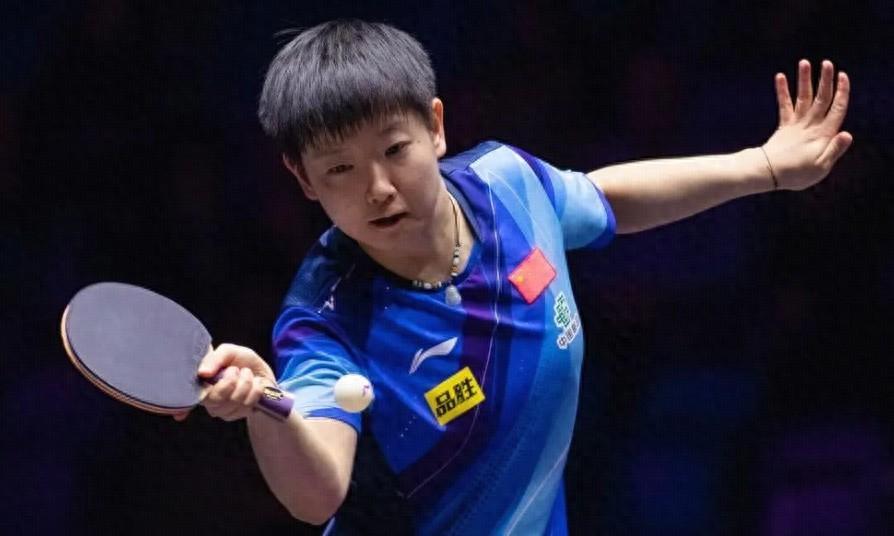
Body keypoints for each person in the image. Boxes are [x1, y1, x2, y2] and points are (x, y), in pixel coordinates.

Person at [176, 19, 852, 535]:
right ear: (303, 180)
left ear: (435, 126)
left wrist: (765, 166)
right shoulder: (325, 318)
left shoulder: (508, 185)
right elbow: (316, 492)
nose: (378, 187)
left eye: (394, 149)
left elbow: (603, 198)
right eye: (340, 170)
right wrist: (268, 408)